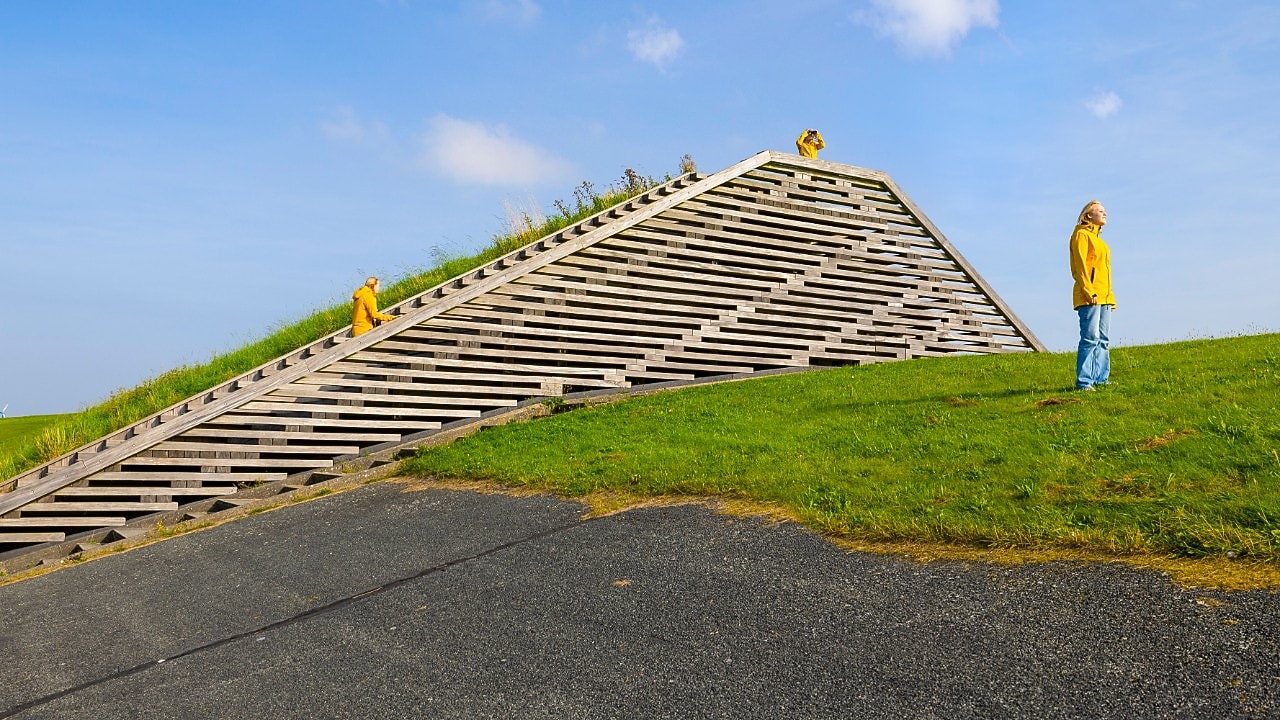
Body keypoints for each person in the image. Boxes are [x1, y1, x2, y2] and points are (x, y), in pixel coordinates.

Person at [1068, 200, 1115, 391]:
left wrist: (1110, 296)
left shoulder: (1100, 241)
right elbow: (1079, 268)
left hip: (1104, 296)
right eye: (1100, 211)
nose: (1105, 213)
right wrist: (1088, 290)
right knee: (1090, 338)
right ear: (1088, 215)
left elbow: (1106, 272)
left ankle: (1101, 378)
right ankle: (1084, 382)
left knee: (1103, 339)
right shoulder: (1080, 235)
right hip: (1090, 295)